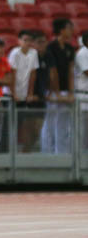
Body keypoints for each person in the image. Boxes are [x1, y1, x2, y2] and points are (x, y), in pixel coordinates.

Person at [41, 18, 75, 154]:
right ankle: (47, 153)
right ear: (61, 30)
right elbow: (52, 72)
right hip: (52, 91)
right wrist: (57, 93)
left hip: (65, 90)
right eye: (69, 28)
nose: (72, 31)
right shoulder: (51, 47)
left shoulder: (69, 48)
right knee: (50, 123)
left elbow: (70, 72)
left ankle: (61, 153)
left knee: (63, 124)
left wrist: (70, 92)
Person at [8, 30, 40, 151]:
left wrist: (30, 93)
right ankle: (7, 149)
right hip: (13, 93)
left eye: (29, 40)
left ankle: (24, 150)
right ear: (19, 41)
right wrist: (14, 93)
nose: (27, 43)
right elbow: (12, 74)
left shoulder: (33, 53)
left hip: (25, 94)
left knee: (26, 123)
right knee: (10, 124)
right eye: (24, 40)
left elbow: (33, 74)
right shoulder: (14, 53)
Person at [75, 31, 88, 150]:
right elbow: (86, 72)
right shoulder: (83, 53)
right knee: (81, 130)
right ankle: (79, 158)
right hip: (83, 96)